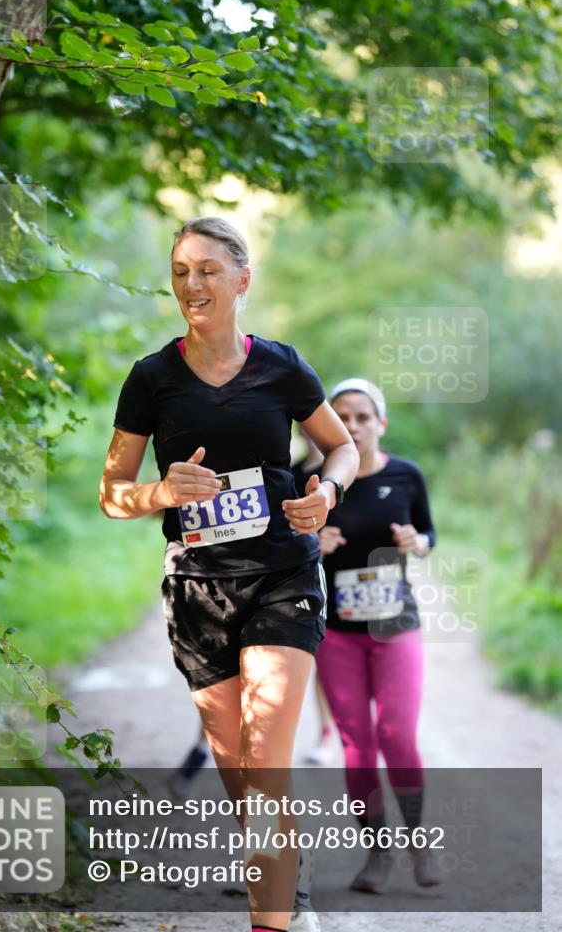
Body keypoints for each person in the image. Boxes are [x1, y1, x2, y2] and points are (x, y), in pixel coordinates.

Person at [100, 217, 359, 932]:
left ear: (242, 279)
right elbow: (111, 491)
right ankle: (287, 883)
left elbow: (339, 450)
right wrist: (162, 493)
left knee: (265, 756)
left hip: (281, 573)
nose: (192, 283)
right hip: (196, 590)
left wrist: (326, 493)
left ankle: (270, 919)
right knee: (241, 780)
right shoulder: (151, 378)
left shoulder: (282, 366)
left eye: (208, 269)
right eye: (182, 270)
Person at [314, 378, 443, 894]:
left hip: (395, 626)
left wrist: (418, 541)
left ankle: (419, 839)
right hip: (337, 634)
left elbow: (429, 533)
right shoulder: (313, 479)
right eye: (341, 415)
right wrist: (311, 542)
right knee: (357, 746)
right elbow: (284, 545)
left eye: (362, 416)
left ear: (380, 424)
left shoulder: (407, 475)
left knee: (397, 736)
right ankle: (377, 851)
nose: (352, 424)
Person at [291, 430, 337, 767]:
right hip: (302, 576)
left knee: (329, 664)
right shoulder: (291, 471)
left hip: (341, 575)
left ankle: (327, 734)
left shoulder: (342, 472)